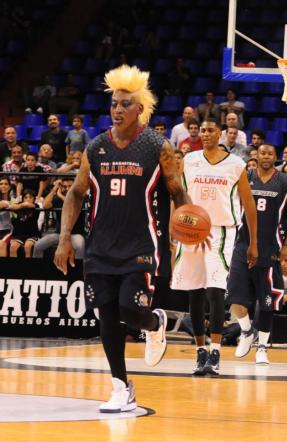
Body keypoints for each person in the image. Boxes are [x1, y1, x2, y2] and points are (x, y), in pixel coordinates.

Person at [54, 65, 190, 413]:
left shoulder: (157, 146)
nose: (117, 109)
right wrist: (64, 238)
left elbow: (176, 192)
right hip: (101, 247)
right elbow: (75, 194)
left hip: (141, 245)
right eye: (114, 103)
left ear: (139, 109)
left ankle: (156, 322)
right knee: (106, 316)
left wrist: (187, 227)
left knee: (131, 311)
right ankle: (120, 386)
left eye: (125, 104)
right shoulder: (96, 147)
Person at [171, 118, 258, 376]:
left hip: (221, 231)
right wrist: (172, 232)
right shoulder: (188, 160)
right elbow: (177, 196)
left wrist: (253, 242)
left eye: (211, 130)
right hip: (190, 230)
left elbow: (249, 205)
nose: (206, 134)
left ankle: (216, 351)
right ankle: (201, 351)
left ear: (219, 133)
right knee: (195, 293)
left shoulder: (236, 164)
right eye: (203, 130)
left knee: (215, 291)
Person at [227, 144, 287, 365]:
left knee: (267, 303)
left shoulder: (285, 181)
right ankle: (247, 331)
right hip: (243, 243)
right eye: (263, 153)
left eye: (270, 153)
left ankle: (262, 348)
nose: (266, 156)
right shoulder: (245, 176)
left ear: (276, 156)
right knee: (235, 296)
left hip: (271, 247)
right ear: (256, 155)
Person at [33, 179, 85, 259]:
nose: (67, 189)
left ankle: (78, 271)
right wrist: (55, 188)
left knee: (80, 246)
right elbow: (45, 205)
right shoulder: (58, 199)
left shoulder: (79, 196)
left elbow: (72, 205)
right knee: (38, 245)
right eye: (65, 186)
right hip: (60, 234)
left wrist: (60, 195)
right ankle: (37, 270)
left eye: (70, 186)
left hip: (75, 234)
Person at [9, 189, 42, 258]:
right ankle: (13, 267)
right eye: (26, 197)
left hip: (32, 234)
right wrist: (20, 206)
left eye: (30, 197)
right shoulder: (20, 204)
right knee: (13, 247)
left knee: (27, 246)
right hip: (19, 234)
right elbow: (10, 206)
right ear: (23, 198)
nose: (28, 199)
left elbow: (28, 205)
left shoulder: (36, 206)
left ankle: (28, 267)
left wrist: (20, 206)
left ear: (34, 199)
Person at [0, 176, 14, 256]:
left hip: (8, 230)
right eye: (1, 184)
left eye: (6, 184)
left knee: (1, 243)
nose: (3, 186)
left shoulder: (13, 199)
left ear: (9, 186)